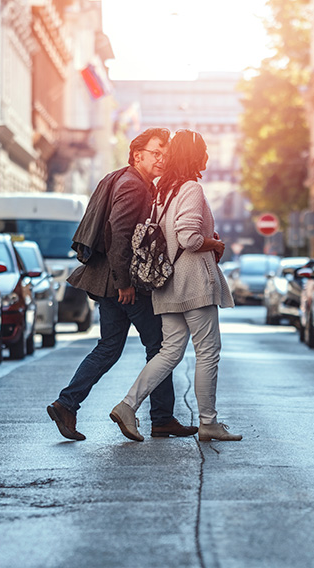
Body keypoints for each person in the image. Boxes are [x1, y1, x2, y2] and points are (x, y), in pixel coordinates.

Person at [46, 128, 197, 441]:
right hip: (123, 285)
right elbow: (119, 236)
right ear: (137, 154)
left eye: (165, 155)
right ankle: (162, 418)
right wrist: (124, 284)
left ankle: (67, 404)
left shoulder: (124, 179)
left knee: (110, 347)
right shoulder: (133, 186)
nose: (161, 160)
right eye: (156, 153)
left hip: (109, 282)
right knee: (160, 347)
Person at [109, 129, 241, 442]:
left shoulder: (163, 190)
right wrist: (214, 245)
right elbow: (188, 238)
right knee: (208, 352)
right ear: (193, 156)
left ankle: (128, 405)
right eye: (204, 152)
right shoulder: (191, 188)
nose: (207, 157)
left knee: (170, 351)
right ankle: (208, 422)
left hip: (166, 284)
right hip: (193, 283)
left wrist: (206, 239)